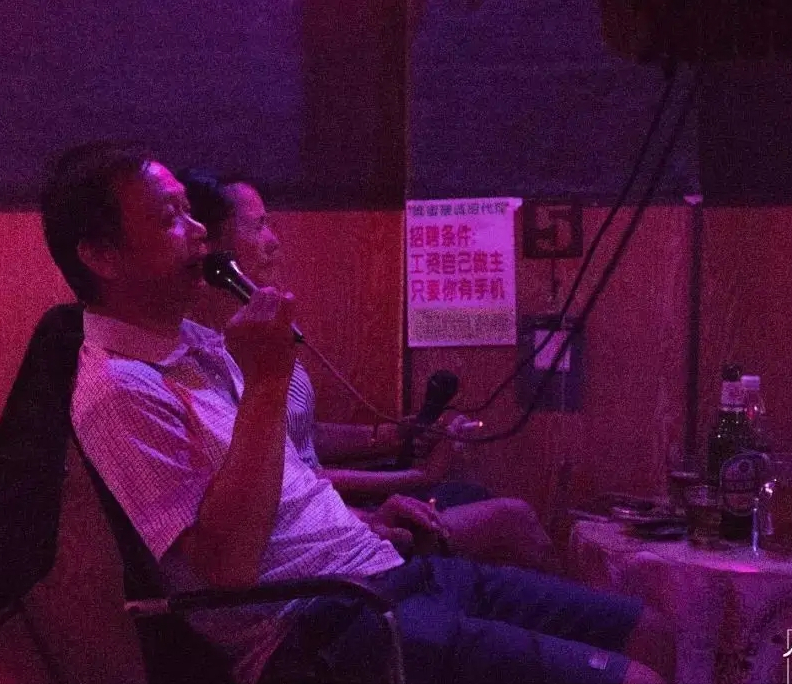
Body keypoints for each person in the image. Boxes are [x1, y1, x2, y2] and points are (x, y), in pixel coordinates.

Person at [40, 142, 673, 684]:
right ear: (102, 256)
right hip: (323, 625)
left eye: (190, 210)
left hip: (379, 569)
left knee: (649, 631)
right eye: (169, 218)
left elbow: (291, 484)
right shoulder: (118, 391)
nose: (199, 230)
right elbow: (224, 570)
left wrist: (367, 515)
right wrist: (267, 382)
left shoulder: (197, 344)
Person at [179, 167, 557, 572]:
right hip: (321, 523)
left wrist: (392, 435)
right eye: (257, 227)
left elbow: (306, 433)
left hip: (335, 511)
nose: (273, 241)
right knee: (512, 521)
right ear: (215, 246)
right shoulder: (222, 356)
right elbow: (295, 474)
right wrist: (417, 477)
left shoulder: (257, 330)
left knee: (473, 495)